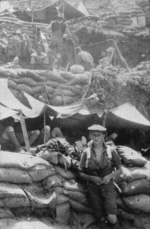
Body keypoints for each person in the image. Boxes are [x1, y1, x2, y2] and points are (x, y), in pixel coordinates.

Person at [78, 124, 122, 228]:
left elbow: (120, 170)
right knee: (99, 217)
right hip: (93, 188)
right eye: (93, 135)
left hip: (108, 187)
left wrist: (110, 176)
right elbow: (80, 173)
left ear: (104, 136)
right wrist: (92, 178)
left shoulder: (111, 151)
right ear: (90, 136)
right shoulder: (86, 152)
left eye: (98, 135)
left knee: (112, 217)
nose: (96, 137)